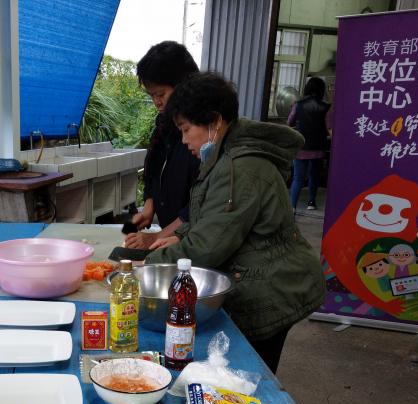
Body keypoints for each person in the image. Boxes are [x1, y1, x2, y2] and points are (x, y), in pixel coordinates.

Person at [144, 72, 325, 373]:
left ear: (214, 122)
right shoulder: (224, 156)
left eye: (187, 129)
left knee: (249, 378)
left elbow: (208, 247)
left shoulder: (239, 169)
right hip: (260, 278)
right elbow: (214, 218)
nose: (185, 139)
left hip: (273, 289)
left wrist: (147, 264)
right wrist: (181, 235)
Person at [124, 41, 200, 249]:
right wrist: (149, 206)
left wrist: (156, 238)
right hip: (171, 234)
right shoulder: (165, 125)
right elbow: (154, 171)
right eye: (152, 96)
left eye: (161, 94)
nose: (156, 102)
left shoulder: (201, 134)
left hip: (189, 240)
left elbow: (201, 205)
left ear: (185, 86)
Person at [287, 76, 331, 211]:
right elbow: (329, 127)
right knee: (314, 176)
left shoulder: (298, 105)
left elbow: (290, 123)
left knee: (298, 179)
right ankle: (311, 202)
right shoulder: (326, 107)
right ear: (321, 90)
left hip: (301, 147)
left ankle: (292, 206)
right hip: (318, 148)